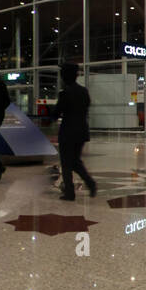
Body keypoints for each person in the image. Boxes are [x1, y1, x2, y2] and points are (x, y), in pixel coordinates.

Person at [53, 60, 98, 201]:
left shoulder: (65, 93)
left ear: (64, 76)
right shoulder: (84, 91)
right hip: (82, 131)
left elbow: (56, 113)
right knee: (75, 161)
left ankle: (70, 192)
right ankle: (90, 183)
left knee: (66, 163)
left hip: (68, 133)